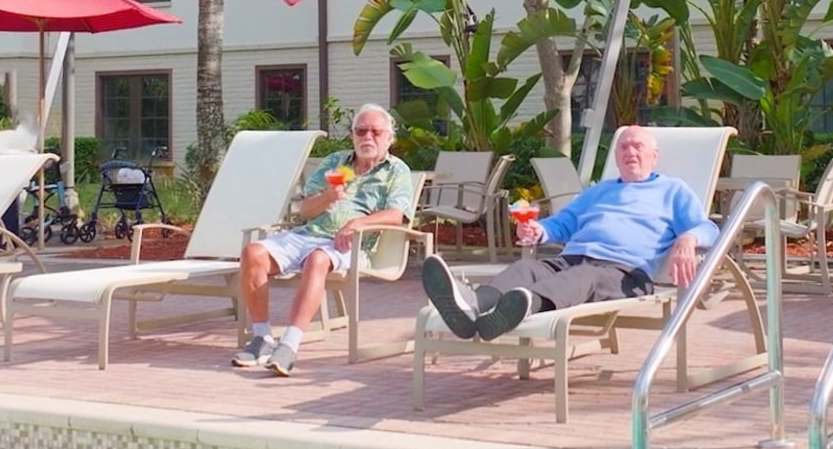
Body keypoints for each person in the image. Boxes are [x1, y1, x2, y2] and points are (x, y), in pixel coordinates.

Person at [421, 126, 717, 341]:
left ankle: (519, 307)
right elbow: (563, 222)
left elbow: (709, 228)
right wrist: (539, 230)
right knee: (526, 268)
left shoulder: (672, 190)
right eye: (624, 147)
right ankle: (472, 305)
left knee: (582, 277)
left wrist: (688, 238)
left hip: (624, 272)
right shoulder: (599, 191)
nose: (630, 152)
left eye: (638, 146)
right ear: (616, 157)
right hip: (571, 259)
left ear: (654, 155)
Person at [232, 104, 415, 375]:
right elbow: (305, 210)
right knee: (253, 253)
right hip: (308, 235)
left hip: (353, 245)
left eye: (375, 132)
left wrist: (356, 224)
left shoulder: (395, 171)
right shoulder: (335, 163)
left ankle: (289, 345)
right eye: (361, 131)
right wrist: (328, 197)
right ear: (352, 135)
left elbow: (397, 214)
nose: (367, 137)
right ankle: (263, 338)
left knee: (318, 259)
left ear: (389, 137)